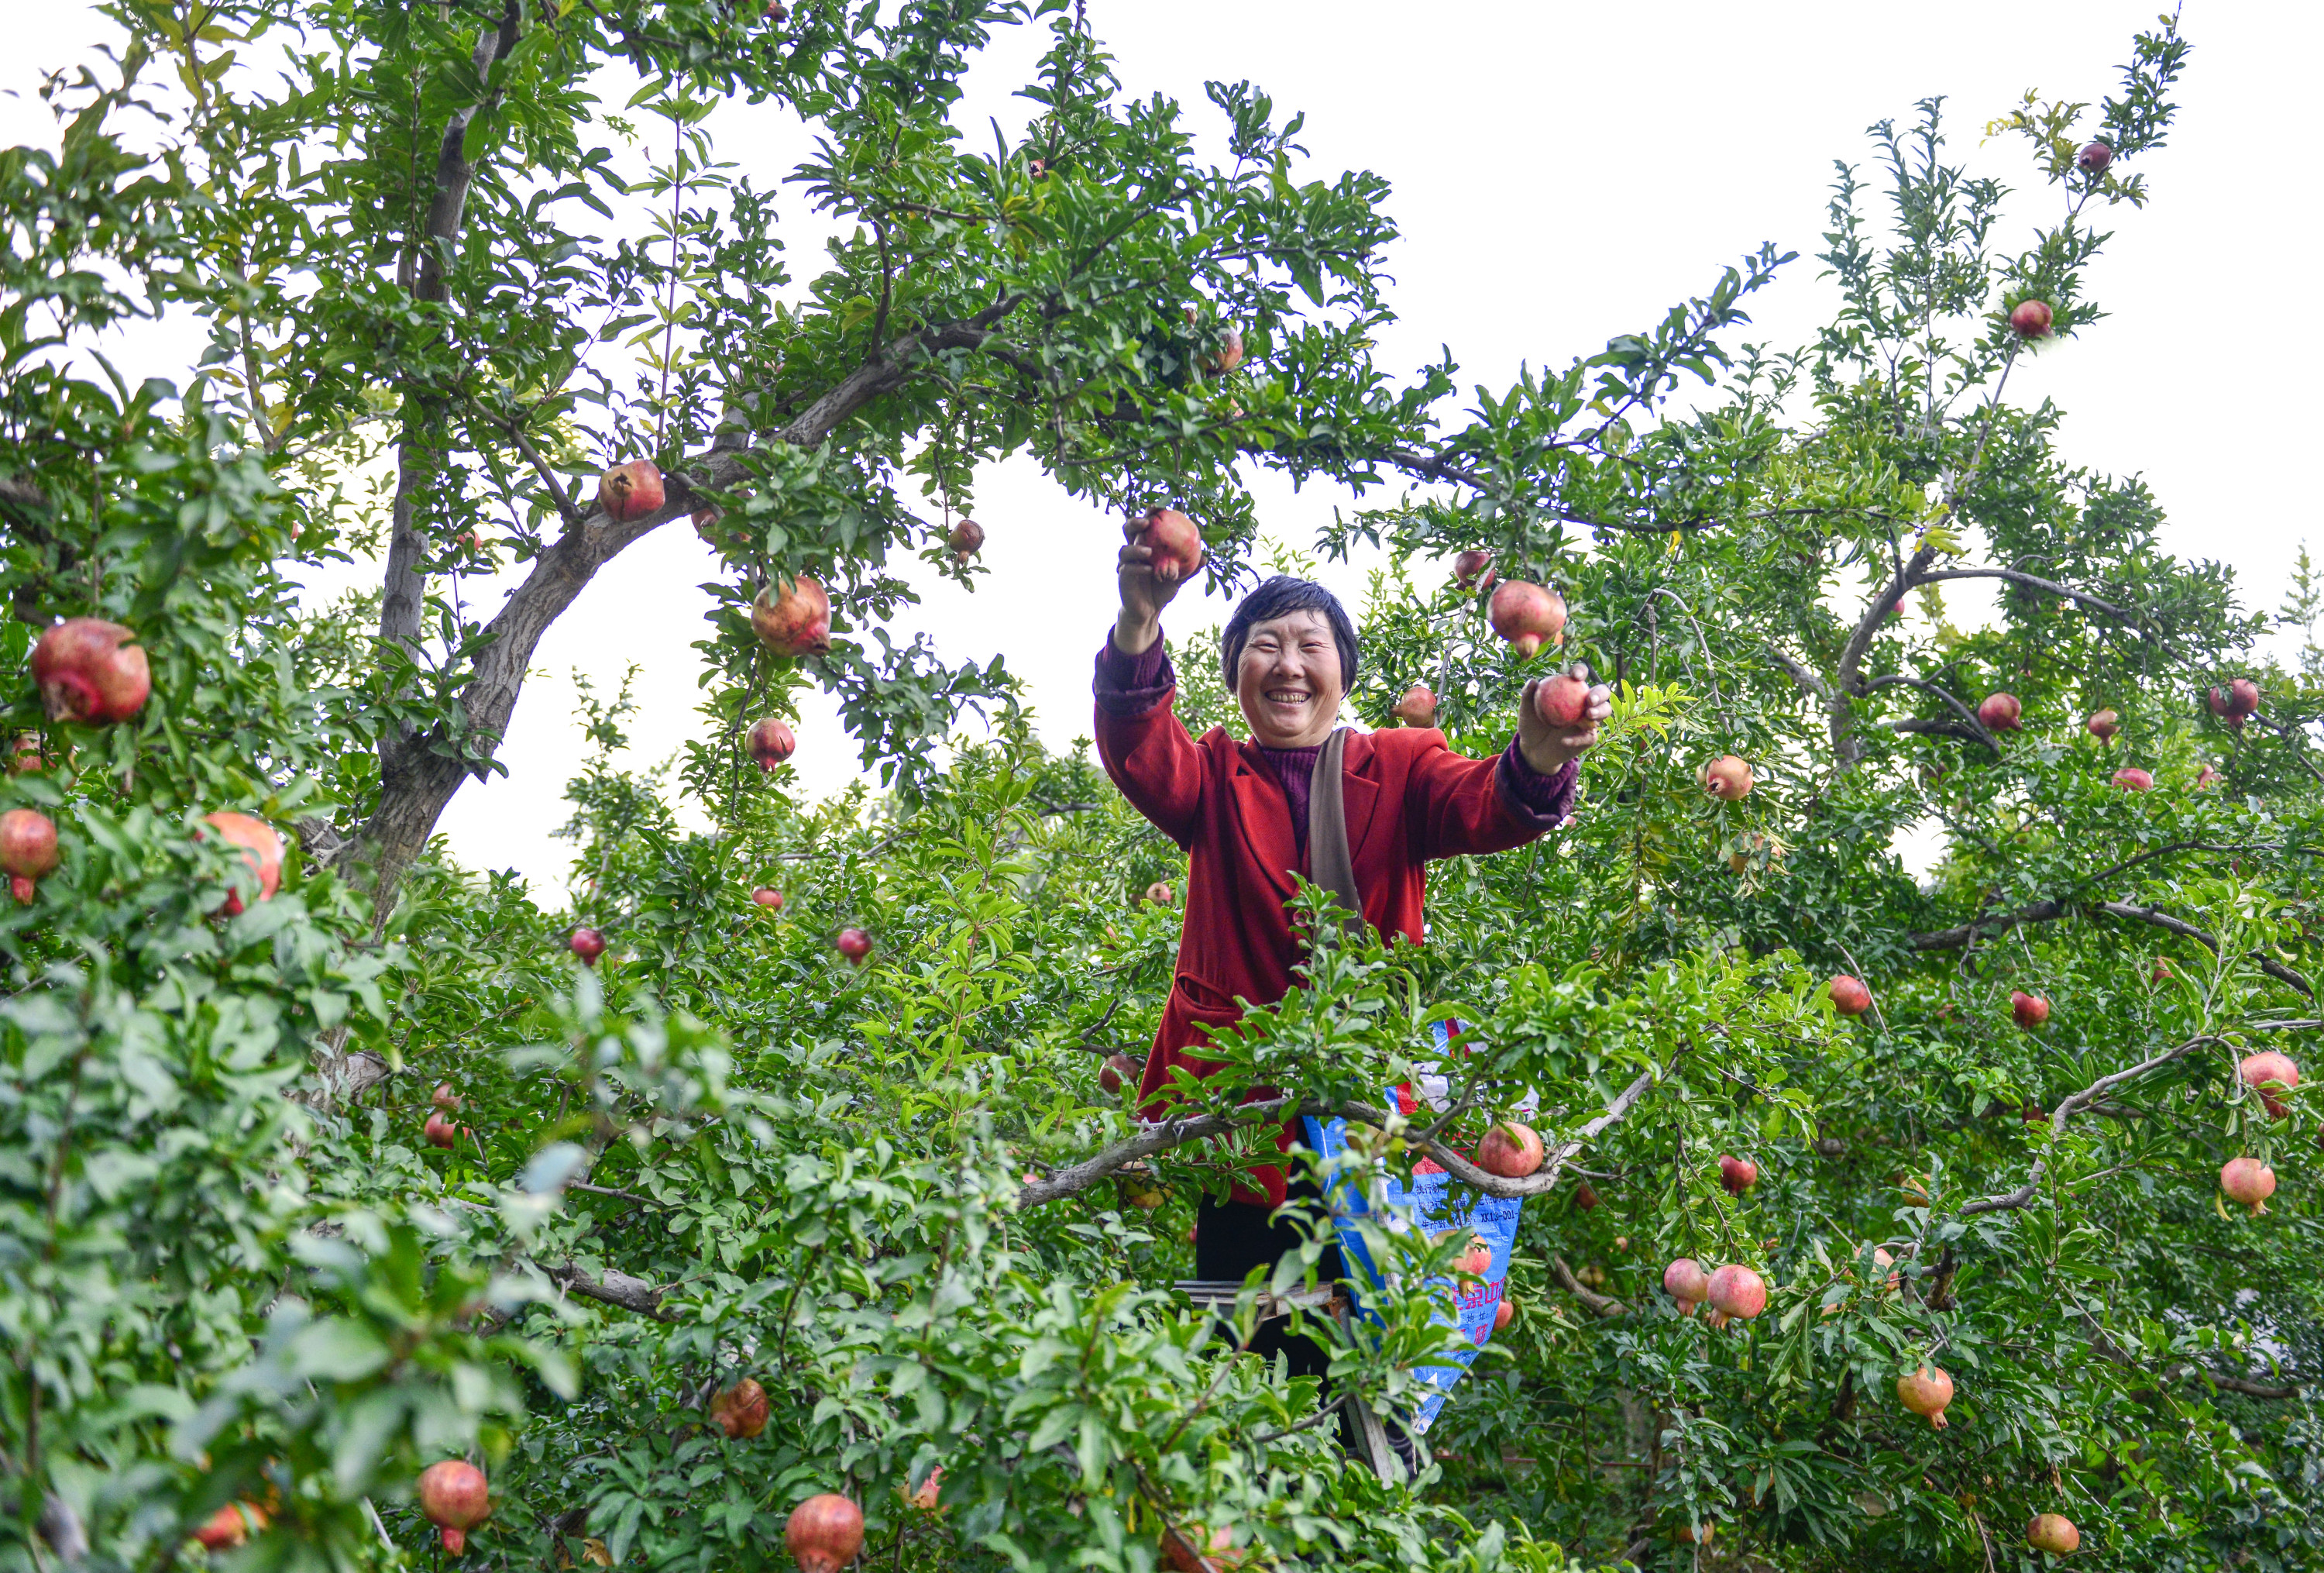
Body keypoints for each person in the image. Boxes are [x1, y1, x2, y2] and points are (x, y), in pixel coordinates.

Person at [1091, 518, 1611, 1413]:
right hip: (1238, 1131)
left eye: (1309, 645)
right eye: (1265, 646)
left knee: (1370, 1382)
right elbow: (1141, 752)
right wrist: (1141, 617)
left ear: (1344, 674)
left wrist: (1542, 750)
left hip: (1370, 1131)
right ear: (1236, 677)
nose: (1288, 663)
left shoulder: (1402, 765)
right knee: (1247, 1375)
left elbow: (1490, 805)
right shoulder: (1212, 776)